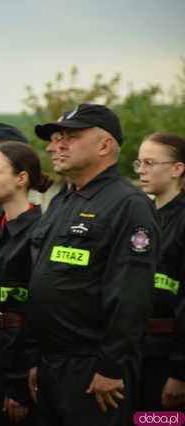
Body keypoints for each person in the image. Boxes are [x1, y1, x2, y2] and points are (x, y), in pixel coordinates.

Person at [27, 104, 160, 426]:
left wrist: (110, 368)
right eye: (54, 138)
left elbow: (131, 293)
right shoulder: (63, 200)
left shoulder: (128, 205)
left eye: (69, 137)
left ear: (104, 145)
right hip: (50, 363)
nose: (54, 146)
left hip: (92, 370)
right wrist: (34, 360)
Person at [0, 142, 53, 425]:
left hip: (15, 369)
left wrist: (19, 383)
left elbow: (36, 316)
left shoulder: (40, 232)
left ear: (21, 179)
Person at [134, 132, 185, 410]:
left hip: (166, 357)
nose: (141, 170)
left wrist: (180, 372)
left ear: (177, 169)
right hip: (135, 353)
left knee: (161, 419)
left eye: (150, 162)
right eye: (139, 163)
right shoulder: (143, 215)